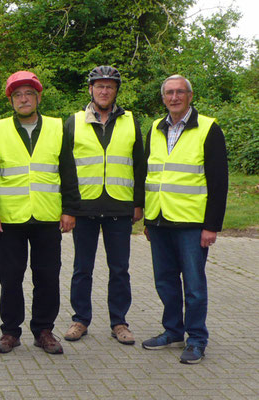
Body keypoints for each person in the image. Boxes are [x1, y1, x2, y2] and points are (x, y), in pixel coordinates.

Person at [0, 71, 78, 356]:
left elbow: (68, 171)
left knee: (48, 277)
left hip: (47, 216)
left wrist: (69, 209)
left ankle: (44, 331)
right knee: (10, 277)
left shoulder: (56, 127)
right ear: (11, 101)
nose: (23, 99)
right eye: (17, 95)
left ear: (38, 97)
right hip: (10, 218)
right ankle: (10, 332)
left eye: (28, 94)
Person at [141, 74, 228, 364]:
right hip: (159, 220)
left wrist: (211, 226)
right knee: (164, 282)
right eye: (169, 93)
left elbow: (218, 182)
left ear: (190, 96)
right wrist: (147, 217)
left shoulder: (208, 129)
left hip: (192, 224)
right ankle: (172, 331)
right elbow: (149, 173)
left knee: (193, 285)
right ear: (163, 97)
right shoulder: (155, 127)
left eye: (180, 92)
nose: (174, 97)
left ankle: (197, 338)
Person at [63, 65, 145, 345]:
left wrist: (138, 203)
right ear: (90, 90)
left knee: (119, 269)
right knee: (82, 268)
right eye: (99, 86)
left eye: (109, 86)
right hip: (84, 206)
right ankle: (80, 320)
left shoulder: (130, 121)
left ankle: (119, 322)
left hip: (119, 206)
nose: (104, 90)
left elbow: (139, 165)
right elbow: (66, 167)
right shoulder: (74, 122)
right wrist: (69, 207)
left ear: (116, 91)